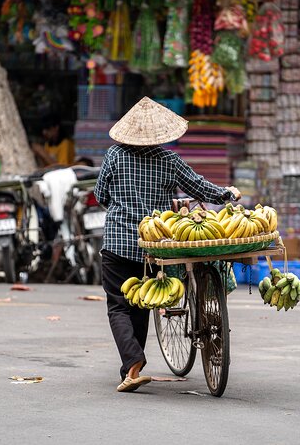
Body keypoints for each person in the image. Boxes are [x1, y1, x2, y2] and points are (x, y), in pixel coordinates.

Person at [93, 97, 241, 393]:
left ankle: (133, 364)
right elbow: (200, 187)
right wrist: (227, 194)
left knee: (118, 306)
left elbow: (101, 195)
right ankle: (133, 364)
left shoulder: (114, 156)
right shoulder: (168, 161)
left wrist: (123, 207)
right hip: (154, 245)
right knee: (141, 306)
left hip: (117, 241)